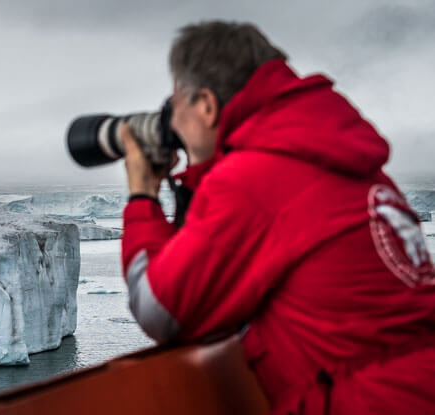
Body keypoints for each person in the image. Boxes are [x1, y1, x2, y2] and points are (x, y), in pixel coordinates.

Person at [119, 21, 435, 414]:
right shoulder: (342, 158)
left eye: (175, 103)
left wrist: (142, 195)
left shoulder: (252, 179)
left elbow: (159, 309)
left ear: (206, 105)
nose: (172, 121)